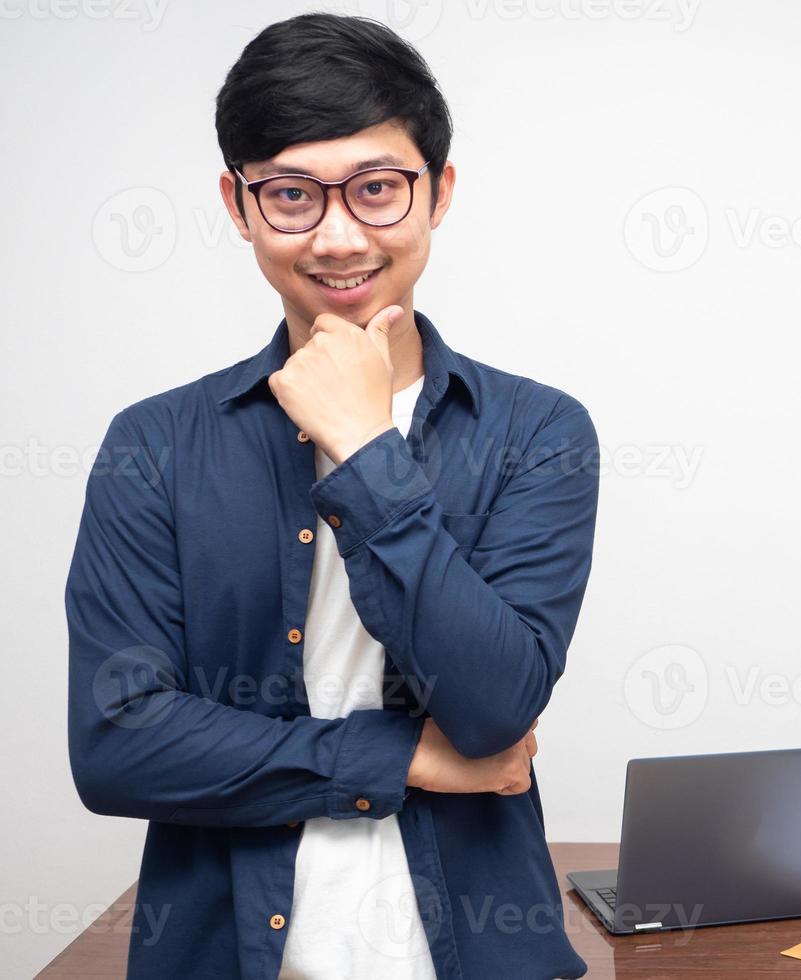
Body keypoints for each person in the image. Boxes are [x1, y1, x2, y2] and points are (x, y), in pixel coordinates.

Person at [64, 12, 598, 979]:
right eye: (292, 195)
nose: (339, 236)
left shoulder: (538, 433)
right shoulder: (154, 445)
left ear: (439, 192)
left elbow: (494, 710)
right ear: (238, 204)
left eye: (378, 189)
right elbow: (117, 745)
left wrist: (359, 446)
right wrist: (403, 759)